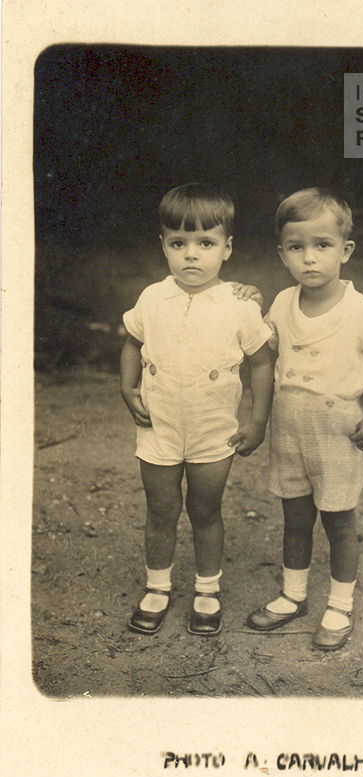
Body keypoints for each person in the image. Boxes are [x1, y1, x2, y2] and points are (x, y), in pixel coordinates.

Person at [247, 187, 363, 651]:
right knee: (295, 518)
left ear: (345, 250)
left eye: (322, 246)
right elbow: (261, 347)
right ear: (282, 254)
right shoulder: (280, 303)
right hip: (289, 426)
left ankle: (339, 604)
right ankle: (293, 595)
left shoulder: (362, 311)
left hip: (337, 432)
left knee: (338, 521)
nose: (309, 259)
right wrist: (244, 302)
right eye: (297, 248)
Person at [120, 183, 273, 636]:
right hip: (160, 427)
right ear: (163, 246)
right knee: (161, 509)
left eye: (205, 243)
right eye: (179, 243)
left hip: (212, 430)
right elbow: (132, 342)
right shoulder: (152, 297)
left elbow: (262, 361)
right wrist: (127, 388)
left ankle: (207, 589)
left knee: (206, 511)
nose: (191, 255)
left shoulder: (239, 305)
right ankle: (158, 586)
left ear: (227, 249)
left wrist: (257, 420)